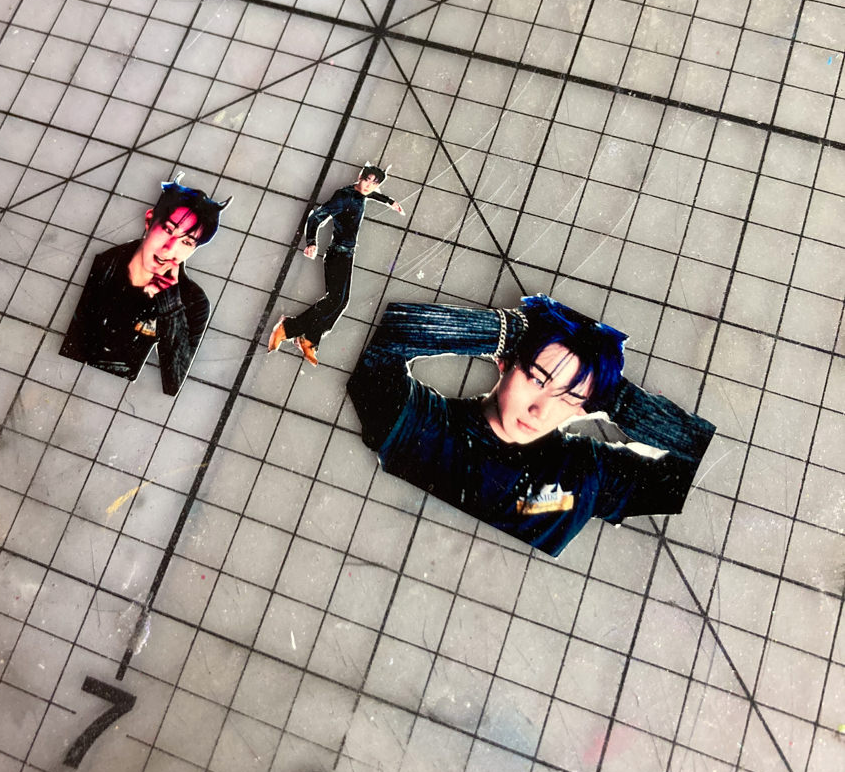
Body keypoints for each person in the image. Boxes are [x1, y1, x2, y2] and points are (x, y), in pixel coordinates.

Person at [348, 296, 714, 556]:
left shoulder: (590, 472)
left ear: (586, 408)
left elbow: (705, 462)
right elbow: (385, 343)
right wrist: (507, 332)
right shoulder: (422, 423)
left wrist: (618, 399)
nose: (540, 410)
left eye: (569, 397)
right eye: (537, 379)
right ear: (506, 363)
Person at [60, 179, 230, 395]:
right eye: (168, 230)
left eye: (187, 242)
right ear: (150, 221)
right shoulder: (105, 264)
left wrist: (170, 307)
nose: (169, 249)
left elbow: (173, 384)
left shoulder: (193, 301)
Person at [268, 164, 404, 366]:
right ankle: (288, 329)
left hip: (346, 255)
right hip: (337, 254)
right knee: (335, 301)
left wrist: (389, 201)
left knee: (340, 302)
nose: (368, 186)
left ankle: (308, 339)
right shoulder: (344, 196)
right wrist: (312, 242)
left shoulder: (361, 193)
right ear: (360, 176)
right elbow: (316, 217)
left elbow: (369, 194)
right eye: (367, 180)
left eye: (374, 184)